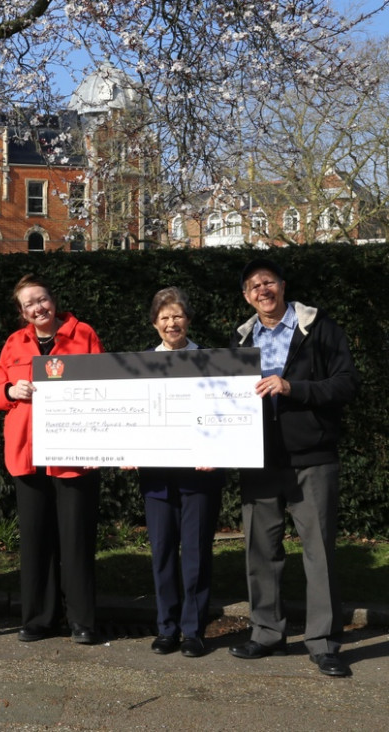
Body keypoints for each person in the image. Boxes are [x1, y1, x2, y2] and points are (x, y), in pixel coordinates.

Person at [228, 258, 359, 678]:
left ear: (282, 286)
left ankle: (323, 643)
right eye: (253, 286)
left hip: (312, 458)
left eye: (267, 282)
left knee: (318, 552)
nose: (261, 290)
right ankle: (266, 632)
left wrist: (292, 387)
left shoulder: (318, 328)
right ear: (247, 296)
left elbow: (346, 383)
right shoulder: (241, 338)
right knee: (260, 551)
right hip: (259, 459)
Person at [0, 274, 103, 645]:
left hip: (73, 452)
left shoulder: (83, 334)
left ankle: (82, 620)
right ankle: (39, 617)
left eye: (42, 300)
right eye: (29, 304)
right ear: (22, 312)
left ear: (53, 300)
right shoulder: (14, 343)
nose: (38, 308)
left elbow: (104, 385)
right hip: (27, 453)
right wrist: (10, 389)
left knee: (76, 539)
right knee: (36, 540)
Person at [137, 287, 225, 659]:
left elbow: (226, 416)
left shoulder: (212, 362)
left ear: (188, 320)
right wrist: (126, 449)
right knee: (162, 553)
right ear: (155, 323)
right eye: (165, 317)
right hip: (157, 477)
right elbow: (131, 417)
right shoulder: (138, 366)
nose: (172, 323)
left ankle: (193, 631)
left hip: (200, 475)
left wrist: (219, 451)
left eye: (178, 316)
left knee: (197, 552)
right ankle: (166, 628)